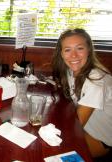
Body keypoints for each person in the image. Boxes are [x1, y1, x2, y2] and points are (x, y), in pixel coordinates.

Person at [52, 28, 112, 158]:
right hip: (86, 128)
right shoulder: (71, 70)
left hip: (102, 138)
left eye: (80, 48)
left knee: (55, 152)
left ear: (89, 50)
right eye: (67, 50)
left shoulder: (96, 81)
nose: (74, 56)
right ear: (61, 53)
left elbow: (76, 124)